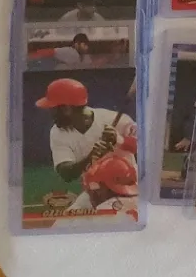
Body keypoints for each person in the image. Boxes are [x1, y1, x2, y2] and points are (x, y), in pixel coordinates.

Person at [35, 77, 137, 213]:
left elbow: (145, 148)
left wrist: (119, 139)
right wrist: (90, 157)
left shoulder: (114, 119)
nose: (51, 114)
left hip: (127, 188)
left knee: (115, 216)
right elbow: (66, 173)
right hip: (95, 191)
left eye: (53, 109)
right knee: (66, 219)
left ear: (66, 109)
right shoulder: (57, 132)